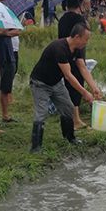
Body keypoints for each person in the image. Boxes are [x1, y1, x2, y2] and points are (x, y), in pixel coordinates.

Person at [29, 23, 95, 152]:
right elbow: (69, 76)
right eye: (86, 39)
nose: (86, 42)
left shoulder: (78, 48)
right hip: (40, 83)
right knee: (42, 112)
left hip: (56, 83)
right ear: (77, 37)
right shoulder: (59, 48)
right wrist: (84, 92)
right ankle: (35, 147)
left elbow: (82, 68)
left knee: (68, 107)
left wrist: (94, 87)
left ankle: (70, 138)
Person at [57, 0, 102, 128]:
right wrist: (93, 87)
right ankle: (75, 120)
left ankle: (74, 118)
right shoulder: (80, 20)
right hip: (75, 52)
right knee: (76, 84)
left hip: (64, 54)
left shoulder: (62, 19)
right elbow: (82, 65)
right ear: (80, 5)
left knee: (69, 85)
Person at [0, 0, 22, 123]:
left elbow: (18, 30)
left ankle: (5, 114)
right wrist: (4, 31)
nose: (0, 2)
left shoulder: (7, 12)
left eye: (2, 0)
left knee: (6, 86)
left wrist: (3, 32)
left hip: (9, 52)